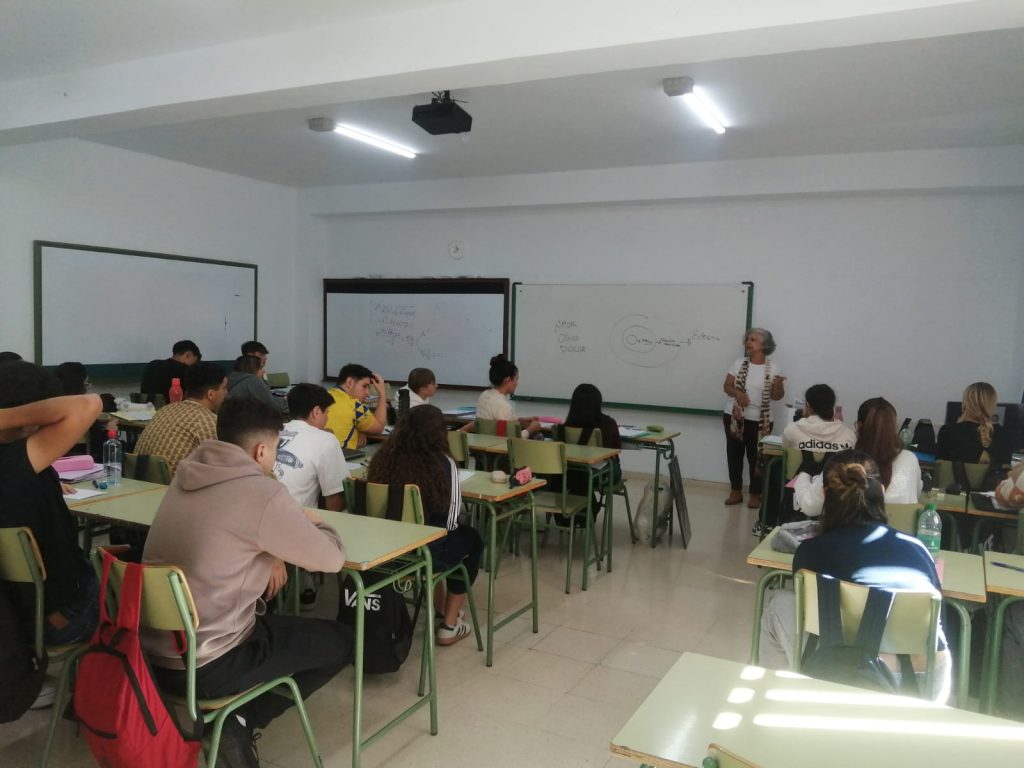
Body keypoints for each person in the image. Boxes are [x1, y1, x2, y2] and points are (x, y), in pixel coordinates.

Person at [144, 397, 350, 767]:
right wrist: (314, 520)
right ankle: (238, 720)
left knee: (269, 613)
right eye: (274, 451)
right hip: (209, 664)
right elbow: (332, 559)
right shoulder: (262, 493)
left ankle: (229, 719)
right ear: (260, 450)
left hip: (149, 654)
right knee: (339, 641)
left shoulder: (185, 474)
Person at [759, 450, 952, 703]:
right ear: (881, 493)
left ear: (825, 495)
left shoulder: (810, 552)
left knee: (778, 604)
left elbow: (812, 617)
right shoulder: (918, 549)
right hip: (920, 680)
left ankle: (777, 699)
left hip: (842, 670)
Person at [0, 361, 103, 647]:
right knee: (132, 585)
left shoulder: (24, 465)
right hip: (58, 617)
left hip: (15, 614)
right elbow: (88, 404)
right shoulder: (14, 462)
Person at [367, 405, 482, 646]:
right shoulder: (444, 463)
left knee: (443, 537)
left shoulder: (383, 458)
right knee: (471, 540)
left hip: (383, 550)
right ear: (440, 432)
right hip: (423, 553)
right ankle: (449, 625)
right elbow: (450, 522)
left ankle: (440, 609)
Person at [793, 397, 922, 517]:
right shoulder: (910, 459)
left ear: (858, 427)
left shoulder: (844, 462)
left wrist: (804, 475)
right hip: (899, 539)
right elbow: (915, 493)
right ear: (895, 428)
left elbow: (810, 506)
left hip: (852, 539)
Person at [722, 328, 785, 509]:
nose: (748, 343)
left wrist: (778, 385)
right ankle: (735, 491)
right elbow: (726, 386)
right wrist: (737, 393)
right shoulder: (738, 363)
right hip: (734, 417)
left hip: (761, 420)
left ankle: (756, 494)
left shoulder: (773, 368)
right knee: (734, 454)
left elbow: (777, 396)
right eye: (748, 339)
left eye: (754, 340)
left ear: (765, 345)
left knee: (757, 457)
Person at [135, 361, 227, 476]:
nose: (226, 393)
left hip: (143, 484)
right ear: (211, 394)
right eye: (224, 388)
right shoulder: (208, 422)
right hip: (177, 488)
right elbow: (219, 467)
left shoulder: (165, 410)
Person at [937, 382, 1011, 466]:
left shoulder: (948, 431)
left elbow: (940, 468)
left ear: (965, 403)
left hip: (957, 479)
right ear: (993, 405)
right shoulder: (1004, 435)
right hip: (994, 479)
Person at [468, 353, 541, 436]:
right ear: (507, 380)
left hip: (483, 444)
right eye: (516, 379)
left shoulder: (484, 395)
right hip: (498, 446)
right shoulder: (503, 405)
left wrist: (520, 420)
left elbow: (495, 421)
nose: (517, 383)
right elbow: (512, 441)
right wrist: (531, 429)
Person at [325, 363, 387, 450]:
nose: (367, 393)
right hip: (343, 458)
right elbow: (379, 428)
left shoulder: (323, 396)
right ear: (350, 382)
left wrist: (357, 429)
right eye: (364, 386)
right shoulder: (355, 405)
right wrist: (382, 393)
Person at [782, 384, 856, 452]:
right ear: (832, 406)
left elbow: (786, 452)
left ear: (808, 405)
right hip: (834, 467)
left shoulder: (791, 430)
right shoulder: (849, 435)